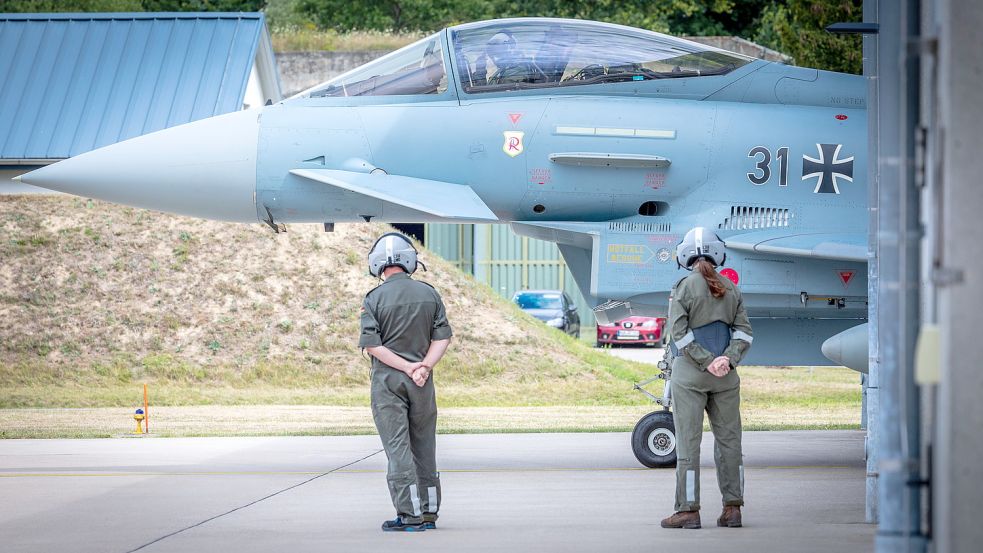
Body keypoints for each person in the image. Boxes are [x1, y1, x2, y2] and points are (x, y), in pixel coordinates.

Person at [359, 233, 453, 532]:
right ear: (410, 260)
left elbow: (372, 345)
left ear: (377, 264)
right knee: (424, 445)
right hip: (422, 382)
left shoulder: (373, 299)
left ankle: (409, 515)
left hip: (389, 382)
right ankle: (429, 512)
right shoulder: (429, 294)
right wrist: (423, 366)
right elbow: (443, 337)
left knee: (398, 448)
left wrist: (406, 366)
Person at [660, 227, 753, 530]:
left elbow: (678, 333)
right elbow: (743, 333)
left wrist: (706, 361)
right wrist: (727, 359)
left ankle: (688, 511)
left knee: (688, 443)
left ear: (685, 254)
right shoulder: (731, 288)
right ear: (718, 253)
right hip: (726, 377)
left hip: (690, 376)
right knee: (730, 443)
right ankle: (733, 508)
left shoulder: (682, 287)